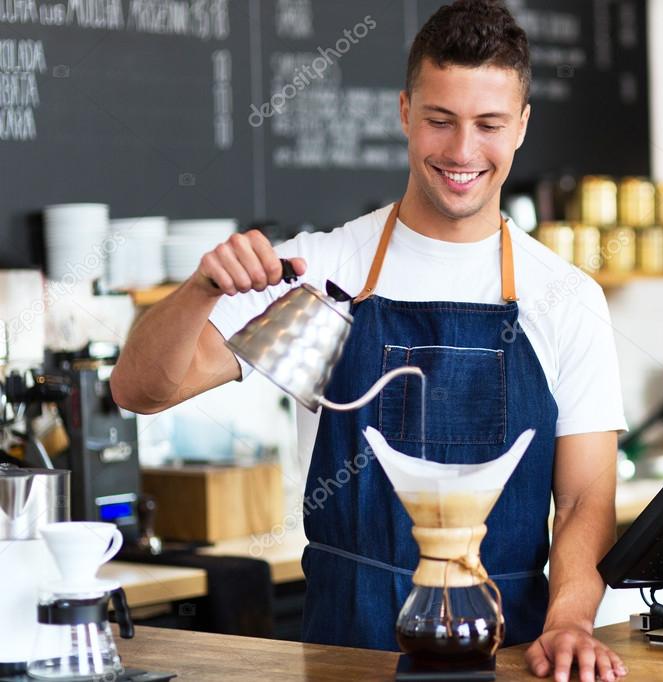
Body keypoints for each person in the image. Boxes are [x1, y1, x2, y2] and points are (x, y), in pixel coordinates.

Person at [111, 2, 627, 680]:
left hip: (508, 650)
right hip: (340, 651)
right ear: (405, 112)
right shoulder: (319, 272)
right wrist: (201, 289)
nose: (462, 151)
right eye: (440, 120)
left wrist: (569, 619)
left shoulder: (564, 298)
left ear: (522, 126)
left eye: (489, 125)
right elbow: (139, 391)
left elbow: (588, 498)